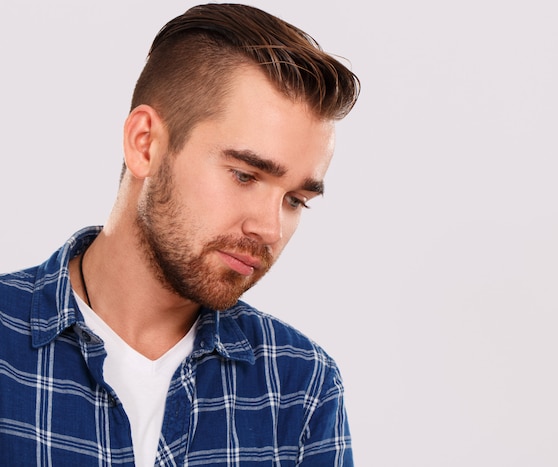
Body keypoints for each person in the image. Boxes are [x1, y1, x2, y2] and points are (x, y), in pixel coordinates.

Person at [0, 3, 359, 466]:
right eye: (245, 175)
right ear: (145, 144)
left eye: (295, 200)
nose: (269, 229)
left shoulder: (300, 387)